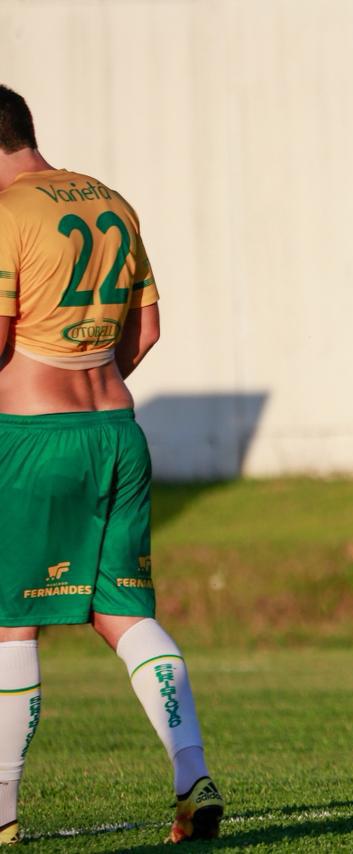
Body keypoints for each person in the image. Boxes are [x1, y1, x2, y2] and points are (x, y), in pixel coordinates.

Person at [0, 84, 224, 843]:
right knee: (124, 612)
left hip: (35, 437)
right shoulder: (111, 201)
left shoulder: (7, 212)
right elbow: (148, 329)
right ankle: (190, 772)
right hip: (117, 432)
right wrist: (91, 375)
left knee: (10, 621)